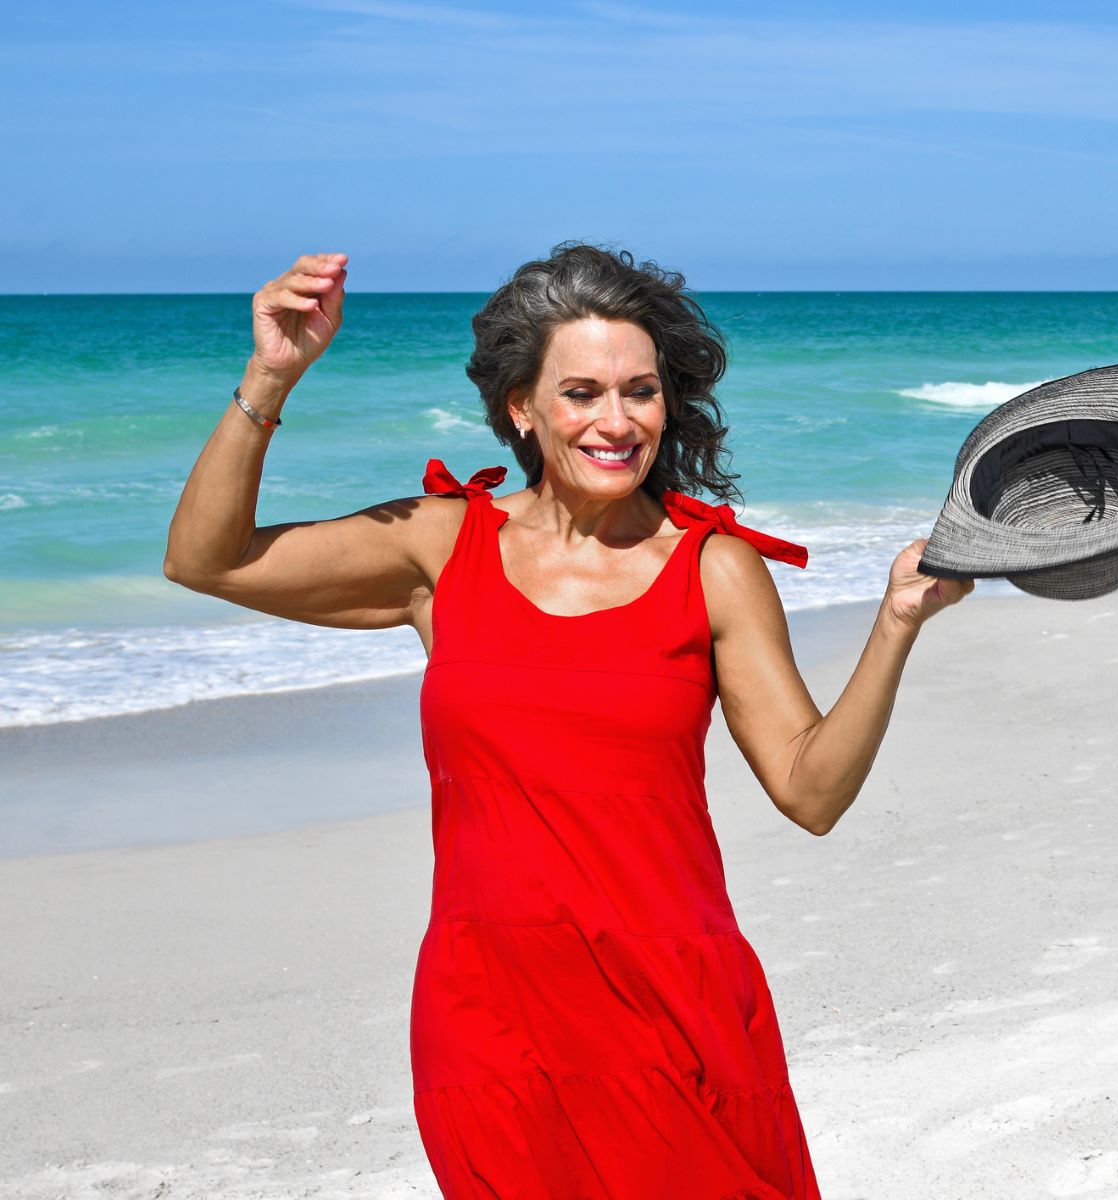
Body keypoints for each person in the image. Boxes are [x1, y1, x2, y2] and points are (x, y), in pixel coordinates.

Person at [163, 244, 973, 1199]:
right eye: (581, 392)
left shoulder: (713, 568)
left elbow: (811, 788)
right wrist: (271, 375)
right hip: (492, 1011)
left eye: (640, 391)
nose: (616, 421)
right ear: (522, 406)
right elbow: (209, 561)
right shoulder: (440, 544)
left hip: (673, 1002)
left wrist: (895, 624)